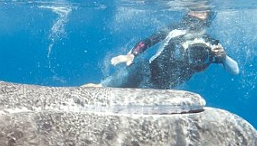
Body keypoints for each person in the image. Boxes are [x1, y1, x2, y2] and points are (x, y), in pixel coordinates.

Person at [101, 9, 240, 89]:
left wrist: (224, 57)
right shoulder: (173, 29)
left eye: (201, 11)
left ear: (209, 15)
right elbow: (149, 41)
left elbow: (235, 70)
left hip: (164, 88)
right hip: (144, 71)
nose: (195, 14)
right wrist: (131, 55)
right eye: (193, 10)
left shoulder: (211, 44)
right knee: (103, 88)